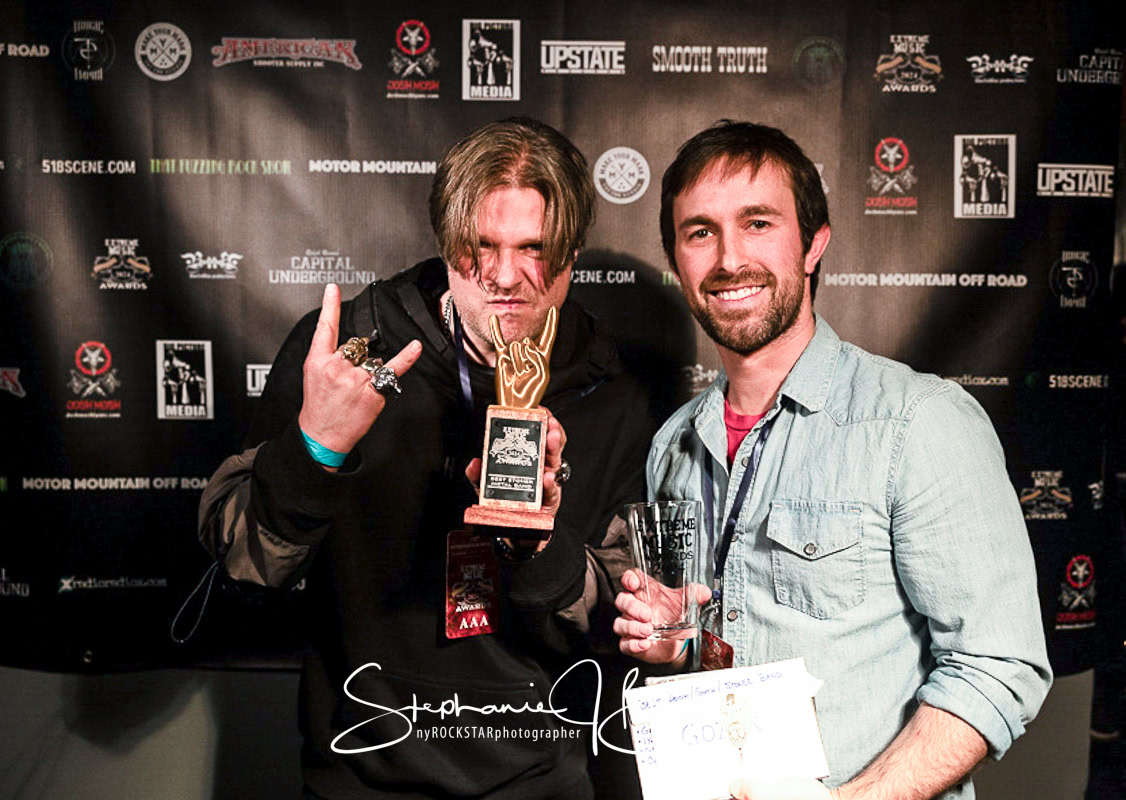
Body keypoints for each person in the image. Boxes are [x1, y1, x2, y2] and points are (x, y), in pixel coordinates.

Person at [199, 117, 650, 799]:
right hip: (361, 772)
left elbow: (621, 619)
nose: (504, 276)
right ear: (445, 243)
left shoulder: (611, 388)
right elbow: (242, 565)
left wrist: (537, 541)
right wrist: (314, 451)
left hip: (538, 778)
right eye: (479, 246)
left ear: (572, 254)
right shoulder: (346, 352)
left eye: (534, 248)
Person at [613, 121, 1052, 800]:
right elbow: (724, 635)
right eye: (700, 232)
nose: (729, 258)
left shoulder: (917, 421)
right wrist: (680, 645)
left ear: (814, 242)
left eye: (758, 223)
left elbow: (998, 667)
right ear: (677, 258)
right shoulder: (675, 444)